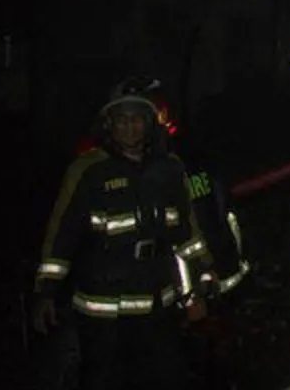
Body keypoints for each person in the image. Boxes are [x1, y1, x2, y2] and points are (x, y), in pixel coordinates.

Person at [32, 77, 211, 390]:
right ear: (108, 125)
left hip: (158, 303)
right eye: (122, 120)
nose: (130, 128)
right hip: (103, 309)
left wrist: (202, 280)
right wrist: (46, 292)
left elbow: (186, 232)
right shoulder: (88, 170)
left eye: (137, 119)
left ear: (149, 123)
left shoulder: (170, 169)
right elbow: (63, 232)